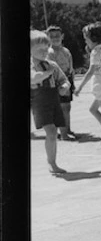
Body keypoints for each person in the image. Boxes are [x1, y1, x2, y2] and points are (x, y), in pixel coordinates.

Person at [30, 30, 70, 175]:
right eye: (39, 49)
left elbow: (64, 79)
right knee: (51, 131)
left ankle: (52, 162)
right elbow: (34, 78)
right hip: (39, 101)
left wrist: (64, 87)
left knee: (53, 133)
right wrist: (47, 73)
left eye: (46, 48)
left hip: (53, 100)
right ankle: (52, 163)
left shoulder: (51, 64)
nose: (44, 51)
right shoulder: (32, 66)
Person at [46, 25, 77, 140]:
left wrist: (72, 83)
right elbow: (52, 69)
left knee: (67, 107)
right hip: (57, 81)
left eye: (57, 36)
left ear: (62, 36)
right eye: (52, 36)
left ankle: (67, 129)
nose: (55, 38)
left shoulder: (66, 51)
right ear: (47, 38)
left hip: (67, 80)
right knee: (60, 107)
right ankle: (63, 134)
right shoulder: (50, 52)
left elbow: (71, 66)